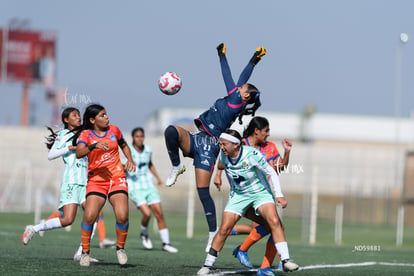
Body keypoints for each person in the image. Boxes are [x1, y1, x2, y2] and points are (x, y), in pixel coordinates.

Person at [164, 43, 265, 252]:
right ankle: (176, 166)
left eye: (243, 88)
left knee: (202, 192)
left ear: (245, 96)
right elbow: (239, 80)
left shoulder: (237, 100)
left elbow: (232, 76)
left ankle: (213, 233)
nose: (240, 86)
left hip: (210, 146)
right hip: (197, 137)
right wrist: (243, 57)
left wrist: (231, 58)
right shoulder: (235, 97)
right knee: (171, 132)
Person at [197, 129, 298, 275]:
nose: (221, 147)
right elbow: (220, 165)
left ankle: (285, 261)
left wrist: (279, 195)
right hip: (238, 196)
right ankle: (207, 265)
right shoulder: (224, 155)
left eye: (224, 144)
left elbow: (271, 172)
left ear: (236, 145)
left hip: (260, 194)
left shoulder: (251, 154)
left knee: (274, 221)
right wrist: (218, 176)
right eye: (221, 144)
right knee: (224, 229)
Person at [20, 107, 110, 262]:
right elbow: (51, 155)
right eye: (74, 115)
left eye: (78, 115)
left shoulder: (85, 134)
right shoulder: (63, 135)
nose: (78, 117)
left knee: (94, 215)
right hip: (71, 182)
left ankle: (82, 252)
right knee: (68, 219)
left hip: (87, 182)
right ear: (66, 120)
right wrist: (70, 148)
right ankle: (34, 228)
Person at [74, 104, 136, 267]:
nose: (106, 117)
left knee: (122, 215)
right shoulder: (86, 134)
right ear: (92, 120)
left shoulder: (114, 130)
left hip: (117, 177)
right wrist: (94, 145)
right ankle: (85, 253)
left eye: (106, 114)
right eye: (102, 115)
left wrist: (129, 159)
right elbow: (79, 153)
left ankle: (120, 248)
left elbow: (123, 144)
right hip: (96, 180)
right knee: (89, 216)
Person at [126, 127, 178, 253]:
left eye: (141, 136)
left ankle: (166, 243)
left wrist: (158, 178)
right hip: (135, 186)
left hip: (148, 185)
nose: (140, 139)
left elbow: (149, 164)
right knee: (147, 214)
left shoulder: (148, 150)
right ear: (133, 137)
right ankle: (144, 233)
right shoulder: (128, 151)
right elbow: (123, 166)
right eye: (137, 136)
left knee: (159, 213)